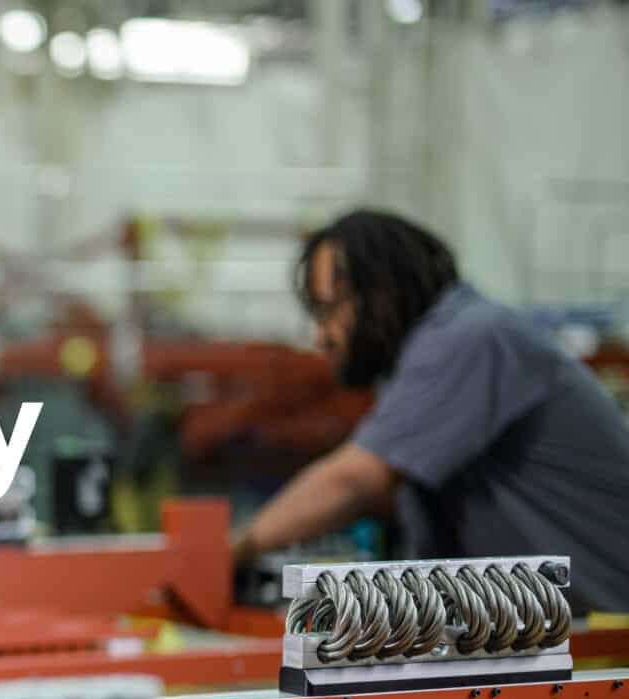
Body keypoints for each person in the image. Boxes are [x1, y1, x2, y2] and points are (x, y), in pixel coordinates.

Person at [231, 209, 629, 612]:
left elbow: (355, 480)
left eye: (327, 311)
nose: (321, 337)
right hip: (549, 625)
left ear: (381, 294)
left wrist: (231, 550)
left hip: (608, 629)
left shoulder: (471, 336)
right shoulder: (423, 358)